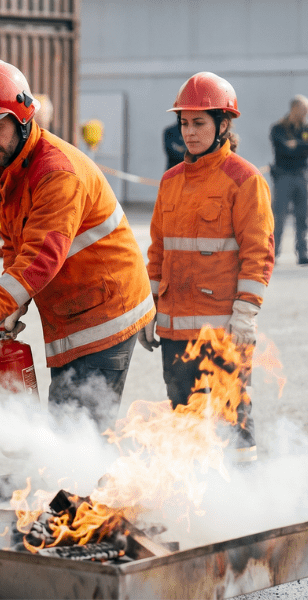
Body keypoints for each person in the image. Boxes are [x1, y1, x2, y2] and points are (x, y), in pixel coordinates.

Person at [0, 58, 154, 430]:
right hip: (75, 310)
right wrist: (13, 304)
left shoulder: (56, 173)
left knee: (77, 438)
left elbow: (42, 257)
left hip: (106, 310)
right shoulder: (7, 165)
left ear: (23, 118)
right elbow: (15, 243)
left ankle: (100, 488)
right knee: (71, 431)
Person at [138, 72, 275, 465]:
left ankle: (244, 507)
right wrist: (150, 306)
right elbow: (159, 251)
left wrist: (246, 315)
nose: (190, 132)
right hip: (176, 330)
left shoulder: (245, 180)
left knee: (234, 425)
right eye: (184, 122)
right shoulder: (170, 181)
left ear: (223, 125)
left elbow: (258, 253)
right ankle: (196, 509)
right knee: (184, 427)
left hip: (224, 333)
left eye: (199, 122)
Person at [269, 94, 308, 265]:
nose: (305, 113)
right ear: (294, 109)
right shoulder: (278, 128)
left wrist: (296, 145)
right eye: (303, 109)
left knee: (303, 217)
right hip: (283, 177)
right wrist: (300, 147)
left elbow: (300, 149)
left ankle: (303, 253)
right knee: (279, 217)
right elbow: (283, 149)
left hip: (301, 176)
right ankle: (273, 253)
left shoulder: (305, 129)